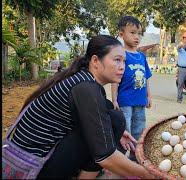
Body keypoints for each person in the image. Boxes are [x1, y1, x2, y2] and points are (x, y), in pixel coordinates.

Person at [2, 35, 153, 179]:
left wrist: (116, 132)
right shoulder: (85, 88)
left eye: (124, 61)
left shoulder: (83, 80)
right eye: (117, 60)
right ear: (95, 61)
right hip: (34, 165)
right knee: (112, 125)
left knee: (112, 116)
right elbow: (106, 157)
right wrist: (150, 174)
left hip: (41, 157)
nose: (123, 67)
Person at [111, 16, 152, 144]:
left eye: (139, 34)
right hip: (125, 101)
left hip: (140, 101)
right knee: (125, 130)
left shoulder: (141, 57)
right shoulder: (121, 55)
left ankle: (136, 157)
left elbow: (146, 77)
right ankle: (122, 157)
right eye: (132, 33)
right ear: (122, 34)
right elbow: (115, 79)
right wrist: (114, 99)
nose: (137, 37)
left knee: (139, 129)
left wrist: (149, 96)